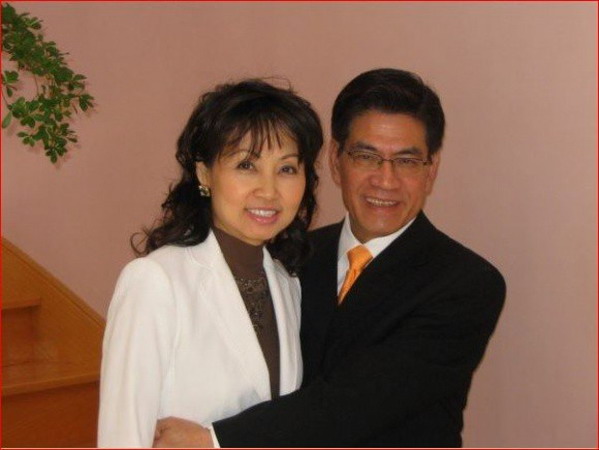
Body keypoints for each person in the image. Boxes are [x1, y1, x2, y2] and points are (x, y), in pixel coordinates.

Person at [154, 68, 506, 448]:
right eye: (366, 156)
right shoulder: (289, 256)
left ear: (431, 170)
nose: (385, 180)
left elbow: (360, 401)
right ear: (336, 161)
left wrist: (215, 440)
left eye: (406, 161)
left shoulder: (466, 283)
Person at [97, 79, 323, 447]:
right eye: (246, 165)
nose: (268, 190)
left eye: (286, 169)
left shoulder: (287, 284)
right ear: (204, 174)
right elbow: (122, 436)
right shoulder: (155, 281)